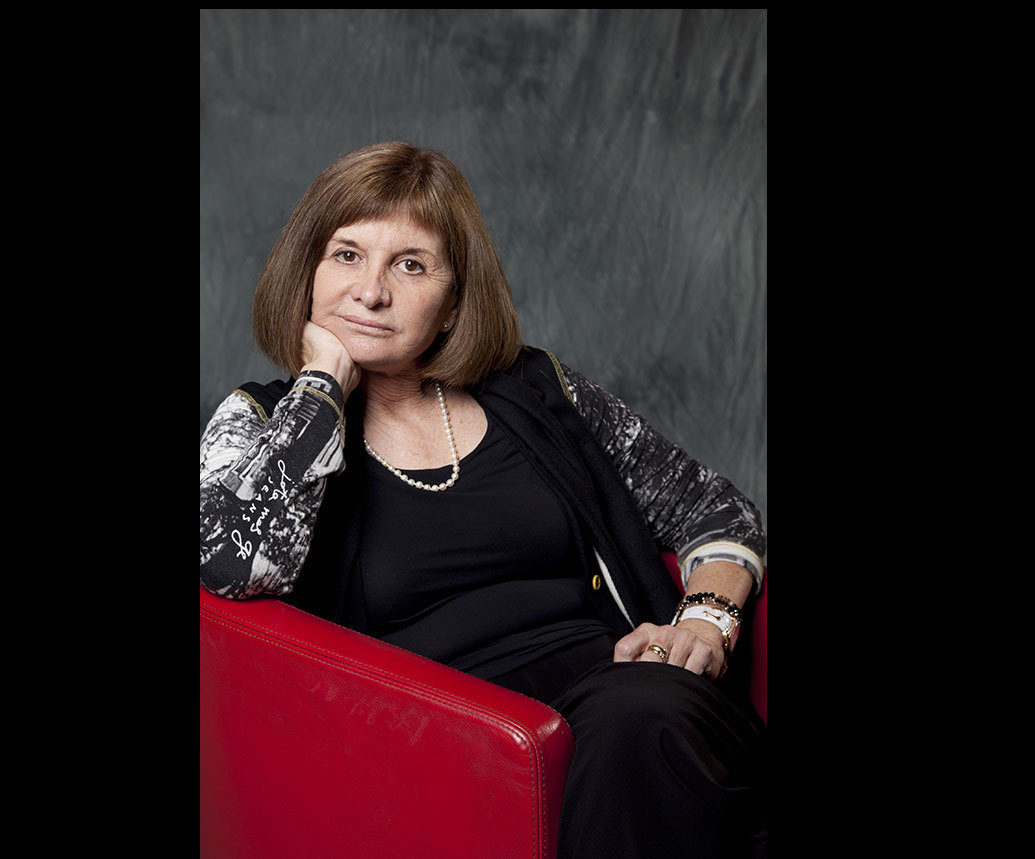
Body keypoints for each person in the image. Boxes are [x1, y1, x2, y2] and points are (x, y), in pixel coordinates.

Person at [199, 141, 767, 858]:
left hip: (627, 696)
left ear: (452, 305)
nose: (371, 291)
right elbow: (235, 566)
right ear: (307, 272)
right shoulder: (262, 422)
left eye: (411, 265)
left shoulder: (539, 390)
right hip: (443, 745)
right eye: (346, 255)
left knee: (641, 723)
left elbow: (714, 505)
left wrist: (707, 620)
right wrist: (321, 386)